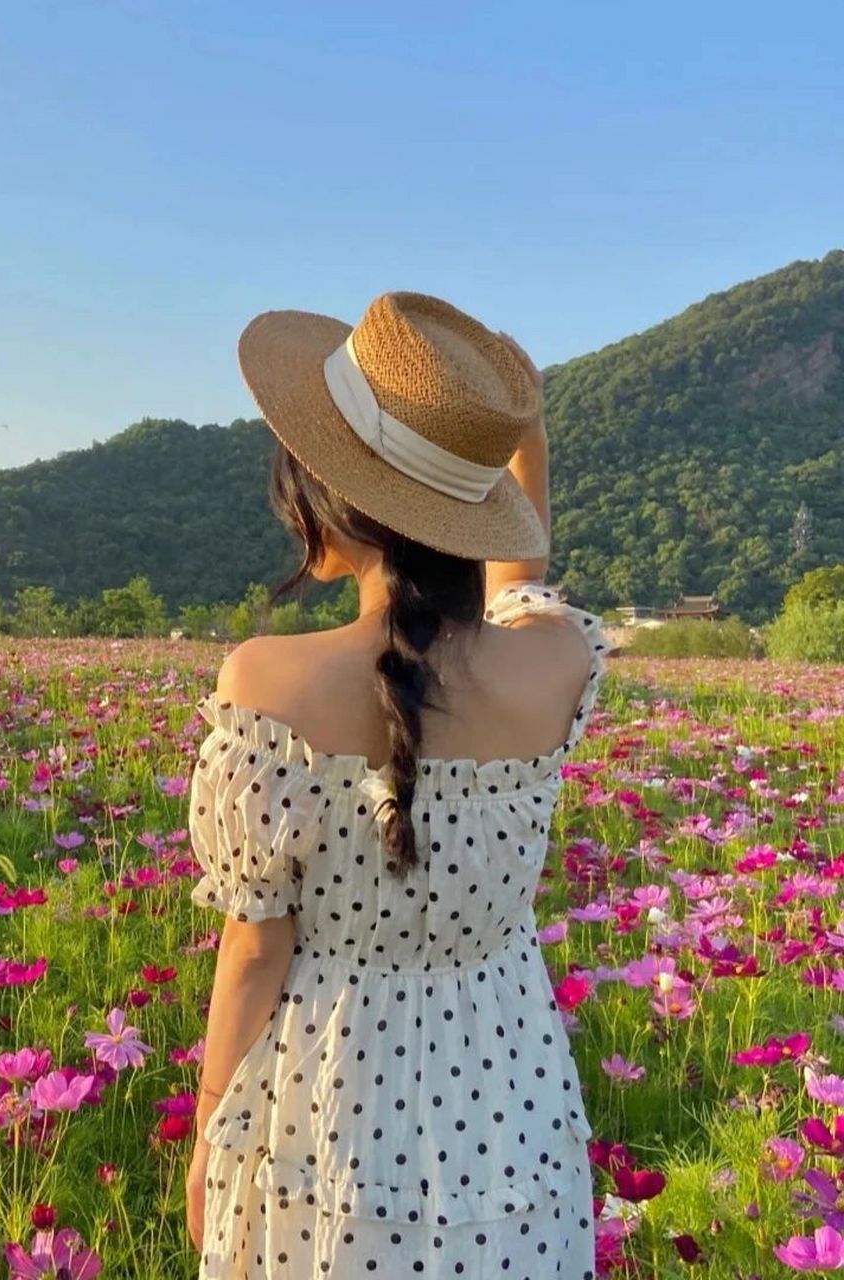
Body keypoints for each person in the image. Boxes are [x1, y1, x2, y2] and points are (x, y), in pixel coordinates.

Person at [185, 291, 609, 1278]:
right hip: (508, 1081)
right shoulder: (556, 666)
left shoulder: (266, 682)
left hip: (330, 1089)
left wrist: (213, 1126)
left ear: (337, 495)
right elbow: (520, 583)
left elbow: (253, 948)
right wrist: (523, 439)